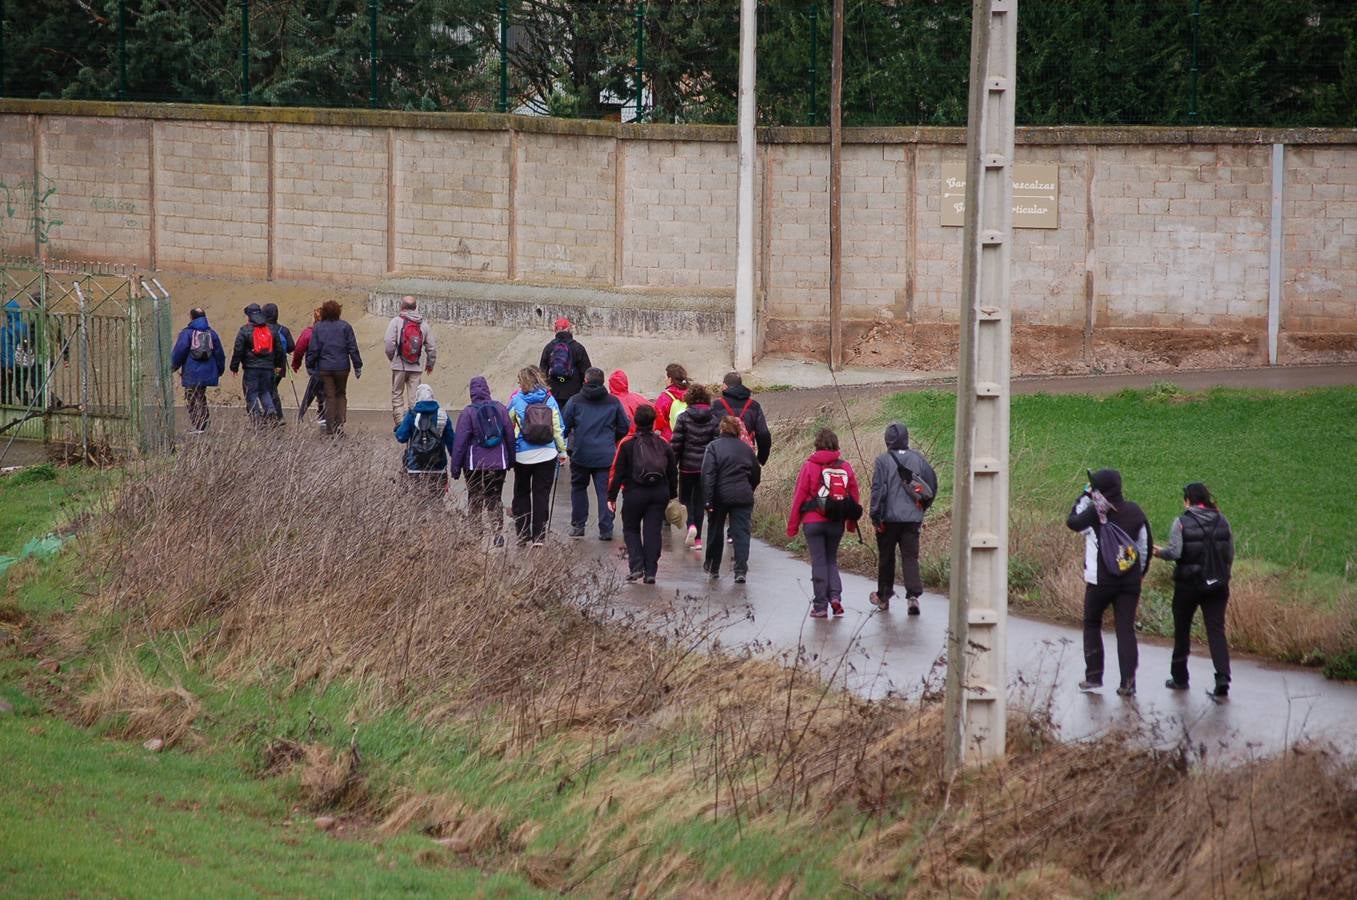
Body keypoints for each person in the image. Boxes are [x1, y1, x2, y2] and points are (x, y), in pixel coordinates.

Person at [1066, 468, 1152, 697]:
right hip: (1130, 583)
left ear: (1099, 491)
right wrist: (1138, 574)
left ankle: (1094, 676)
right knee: (1126, 630)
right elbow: (1145, 546)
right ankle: (1128, 682)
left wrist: (1084, 496)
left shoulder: (1096, 513)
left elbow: (1073, 522)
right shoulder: (1135, 511)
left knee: (1092, 623)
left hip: (1100, 581)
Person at [1154, 483, 1235, 700]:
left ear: (1188, 500)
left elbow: (1175, 552)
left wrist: (1159, 553)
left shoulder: (1181, 522)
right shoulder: (1222, 520)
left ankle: (1180, 677)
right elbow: (1229, 553)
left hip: (1188, 585)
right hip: (1218, 585)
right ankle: (1222, 677)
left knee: (1182, 630)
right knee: (1216, 630)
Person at [786, 429, 862, 618]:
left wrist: (793, 526)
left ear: (816, 444)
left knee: (818, 561)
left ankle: (820, 606)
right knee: (831, 560)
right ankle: (835, 598)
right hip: (836, 522)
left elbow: (799, 497)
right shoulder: (845, 467)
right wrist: (851, 524)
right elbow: (854, 497)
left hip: (813, 521)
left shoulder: (809, 466)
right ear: (836, 444)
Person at [868, 422, 938, 615]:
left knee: (886, 558)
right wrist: (922, 508)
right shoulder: (919, 460)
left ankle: (884, 597)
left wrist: (875, 515)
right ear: (906, 438)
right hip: (912, 519)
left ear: (887, 440)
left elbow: (878, 490)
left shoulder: (882, 460)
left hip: (888, 519)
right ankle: (913, 597)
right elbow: (931, 486)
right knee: (910, 557)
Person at [607, 404, 678, 585]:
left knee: (630, 528)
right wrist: (672, 494)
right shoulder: (663, 444)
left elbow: (618, 472)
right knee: (653, 531)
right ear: (654, 421)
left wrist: (611, 496)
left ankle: (636, 566)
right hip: (659, 493)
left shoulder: (627, 443)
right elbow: (672, 471)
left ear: (635, 421)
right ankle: (651, 572)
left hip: (634, 493)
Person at [562, 367, 630, 540]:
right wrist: (611, 439)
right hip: (605, 453)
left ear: (585, 380)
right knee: (605, 492)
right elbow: (624, 426)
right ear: (602, 382)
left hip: (581, 451)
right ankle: (606, 529)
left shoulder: (575, 401)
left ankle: (578, 525)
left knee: (578, 488)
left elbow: (564, 424)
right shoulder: (613, 402)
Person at [450, 376, 516, 541]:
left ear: (471, 392)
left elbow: (460, 443)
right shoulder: (501, 409)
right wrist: (510, 460)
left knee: (475, 497)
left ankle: (476, 533)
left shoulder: (468, 412)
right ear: (487, 389)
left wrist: (455, 468)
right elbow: (509, 436)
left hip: (474, 464)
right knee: (494, 497)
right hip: (498, 463)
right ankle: (497, 534)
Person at [506, 366, 567, 546]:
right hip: (547, 453)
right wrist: (562, 451)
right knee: (541, 494)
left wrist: (511, 449)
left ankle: (523, 534)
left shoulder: (516, 400)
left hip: (523, 454)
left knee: (522, 492)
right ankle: (539, 536)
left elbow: (508, 427)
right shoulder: (550, 400)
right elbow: (558, 428)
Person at [701, 415, 761, 583]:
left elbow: (708, 475)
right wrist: (749, 488)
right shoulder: (746, 449)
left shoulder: (713, 447)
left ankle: (713, 567)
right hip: (743, 495)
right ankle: (740, 570)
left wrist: (707, 499)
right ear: (738, 431)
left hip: (719, 496)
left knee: (715, 530)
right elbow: (756, 474)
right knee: (741, 533)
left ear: (721, 429)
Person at [670, 382, 721, 552]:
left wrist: (672, 464)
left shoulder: (683, 417)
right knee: (700, 501)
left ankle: (690, 524)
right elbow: (716, 445)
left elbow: (676, 444)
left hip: (686, 466)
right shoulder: (714, 419)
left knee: (686, 500)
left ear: (689, 399)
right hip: (705, 468)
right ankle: (698, 539)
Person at [304, 300, 362, 436]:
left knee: (329, 397)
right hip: (342, 367)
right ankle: (339, 423)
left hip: (325, 368)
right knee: (341, 394)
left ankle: (330, 427)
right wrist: (357, 365)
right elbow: (352, 348)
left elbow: (313, 349)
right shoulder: (345, 327)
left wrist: (310, 364)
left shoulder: (318, 327)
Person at [169, 307, 226, 433]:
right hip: (207, 372)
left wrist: (172, 367)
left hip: (191, 372)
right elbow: (219, 353)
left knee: (191, 397)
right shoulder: (212, 333)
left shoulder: (187, 333)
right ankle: (203, 423)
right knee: (201, 395)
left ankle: (198, 424)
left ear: (192, 317)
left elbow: (179, 351)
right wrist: (220, 370)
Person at [229, 303, 287, 424]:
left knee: (251, 394)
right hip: (268, 368)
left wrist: (234, 366)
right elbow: (280, 350)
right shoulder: (271, 330)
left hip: (251, 369)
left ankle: (256, 420)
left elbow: (238, 349)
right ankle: (271, 410)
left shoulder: (244, 330)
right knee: (265, 391)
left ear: (249, 316)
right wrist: (278, 366)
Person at [394, 384, 455, 497]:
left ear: (417, 398)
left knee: (417, 501)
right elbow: (452, 444)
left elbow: (401, 437)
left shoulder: (411, 415)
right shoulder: (443, 415)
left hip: (415, 467)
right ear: (433, 397)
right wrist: (456, 465)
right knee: (437, 501)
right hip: (438, 467)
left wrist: (399, 427)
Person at [384, 295, 436, 425]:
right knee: (415, 397)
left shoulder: (396, 321)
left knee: (397, 394)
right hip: (416, 366)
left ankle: (400, 424)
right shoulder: (423, 324)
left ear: (402, 307)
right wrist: (430, 364)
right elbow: (431, 347)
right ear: (415, 307)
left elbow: (389, 343)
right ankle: (415, 424)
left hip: (399, 365)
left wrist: (393, 358)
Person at [716, 372, 773, 465]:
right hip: (747, 457)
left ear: (725, 386)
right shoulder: (754, 406)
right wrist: (760, 460)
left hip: (723, 457)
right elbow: (763, 434)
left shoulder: (717, 406)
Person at [538, 316, 590, 407]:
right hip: (574, 392)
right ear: (568, 329)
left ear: (555, 330)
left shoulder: (549, 347)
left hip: (554, 392)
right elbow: (586, 372)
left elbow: (542, 373)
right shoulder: (578, 347)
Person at [291, 307, 326, 426]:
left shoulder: (308, 333)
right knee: (325, 390)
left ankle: (301, 416)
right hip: (332, 366)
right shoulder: (332, 332)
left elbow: (299, 349)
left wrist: (296, 364)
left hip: (315, 368)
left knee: (313, 390)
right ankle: (323, 414)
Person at [262, 303, 293, 422]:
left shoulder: (261, 329)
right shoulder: (283, 330)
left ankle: (277, 416)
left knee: (270, 389)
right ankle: (271, 415)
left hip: (265, 364)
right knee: (271, 388)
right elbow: (291, 346)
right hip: (280, 366)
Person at [1, 299, 33, 406]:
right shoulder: (24, 326)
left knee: (6, 387)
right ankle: (31, 404)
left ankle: (7, 407)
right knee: (20, 387)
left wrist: (7, 365)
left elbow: (7, 348)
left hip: (11, 362)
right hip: (24, 362)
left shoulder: (7, 328)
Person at [653, 363, 690, 441]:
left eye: (665, 377)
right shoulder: (691, 394)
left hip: (670, 438)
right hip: (689, 437)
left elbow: (657, 420)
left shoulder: (664, 397)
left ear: (670, 380)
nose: (664, 380)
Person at [608, 369, 649, 435]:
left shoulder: (609, 403)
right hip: (640, 438)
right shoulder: (637, 398)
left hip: (619, 441)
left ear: (610, 384)